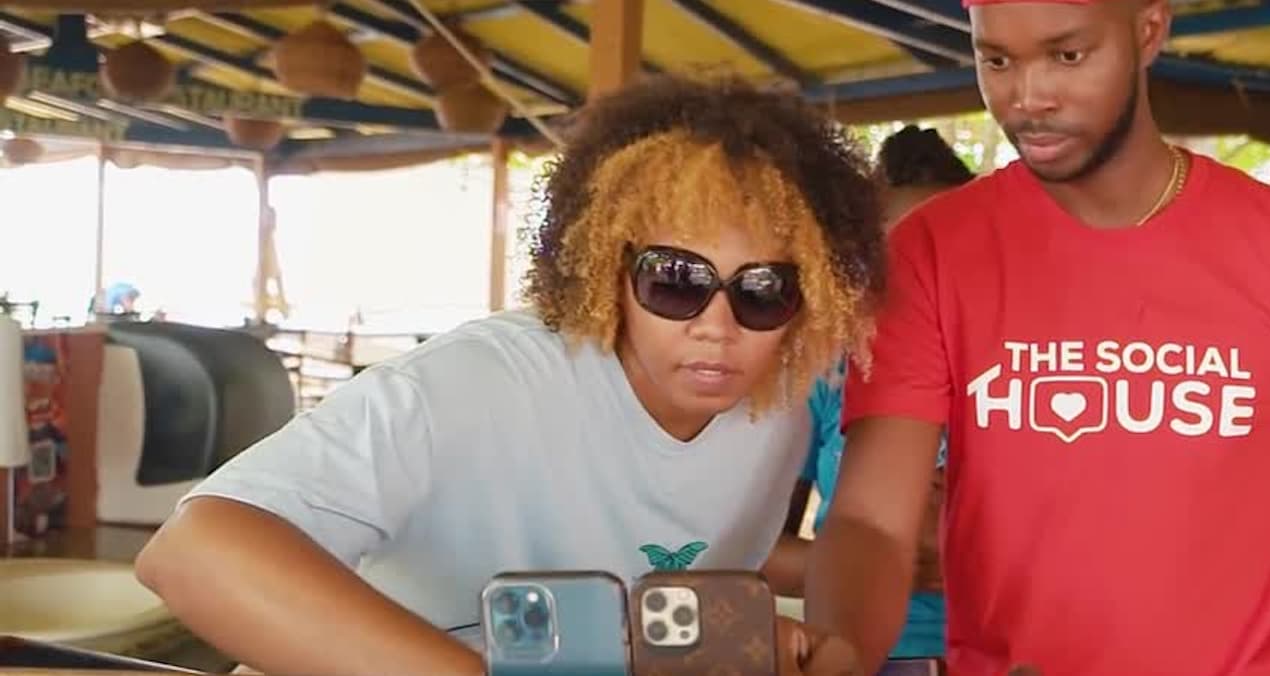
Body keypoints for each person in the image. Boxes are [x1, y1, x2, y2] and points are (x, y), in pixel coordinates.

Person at [132, 73, 887, 676]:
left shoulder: (782, 410)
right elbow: (195, 551)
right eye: (675, 279)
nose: (717, 326)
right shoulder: (479, 384)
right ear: (606, 267)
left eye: (764, 290)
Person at [800, 1, 1270, 674]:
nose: (1029, 97)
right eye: (997, 60)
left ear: (1148, 31)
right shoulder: (931, 255)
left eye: (1067, 55)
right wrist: (842, 652)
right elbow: (872, 521)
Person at [792, 124, 976, 660]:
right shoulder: (824, 375)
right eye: (898, 251)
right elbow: (754, 551)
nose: (921, 274)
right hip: (864, 656)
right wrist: (881, 563)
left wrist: (969, 560)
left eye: (947, 250)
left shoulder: (1020, 374)